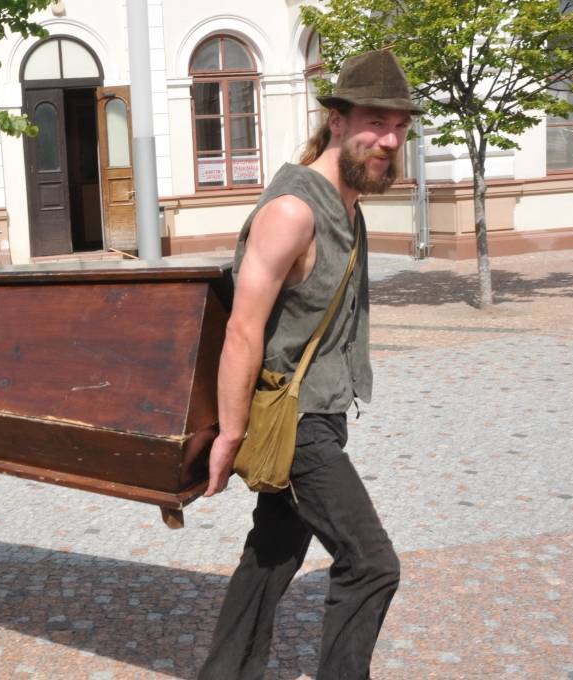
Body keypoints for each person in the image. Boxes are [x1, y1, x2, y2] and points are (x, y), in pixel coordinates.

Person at [199, 50, 421, 679]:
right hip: (295, 425)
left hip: (320, 411)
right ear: (338, 122)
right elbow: (243, 328)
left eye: (401, 127)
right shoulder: (295, 211)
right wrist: (231, 434)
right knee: (372, 563)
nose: (389, 139)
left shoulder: (346, 205)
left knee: (272, 555)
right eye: (376, 122)